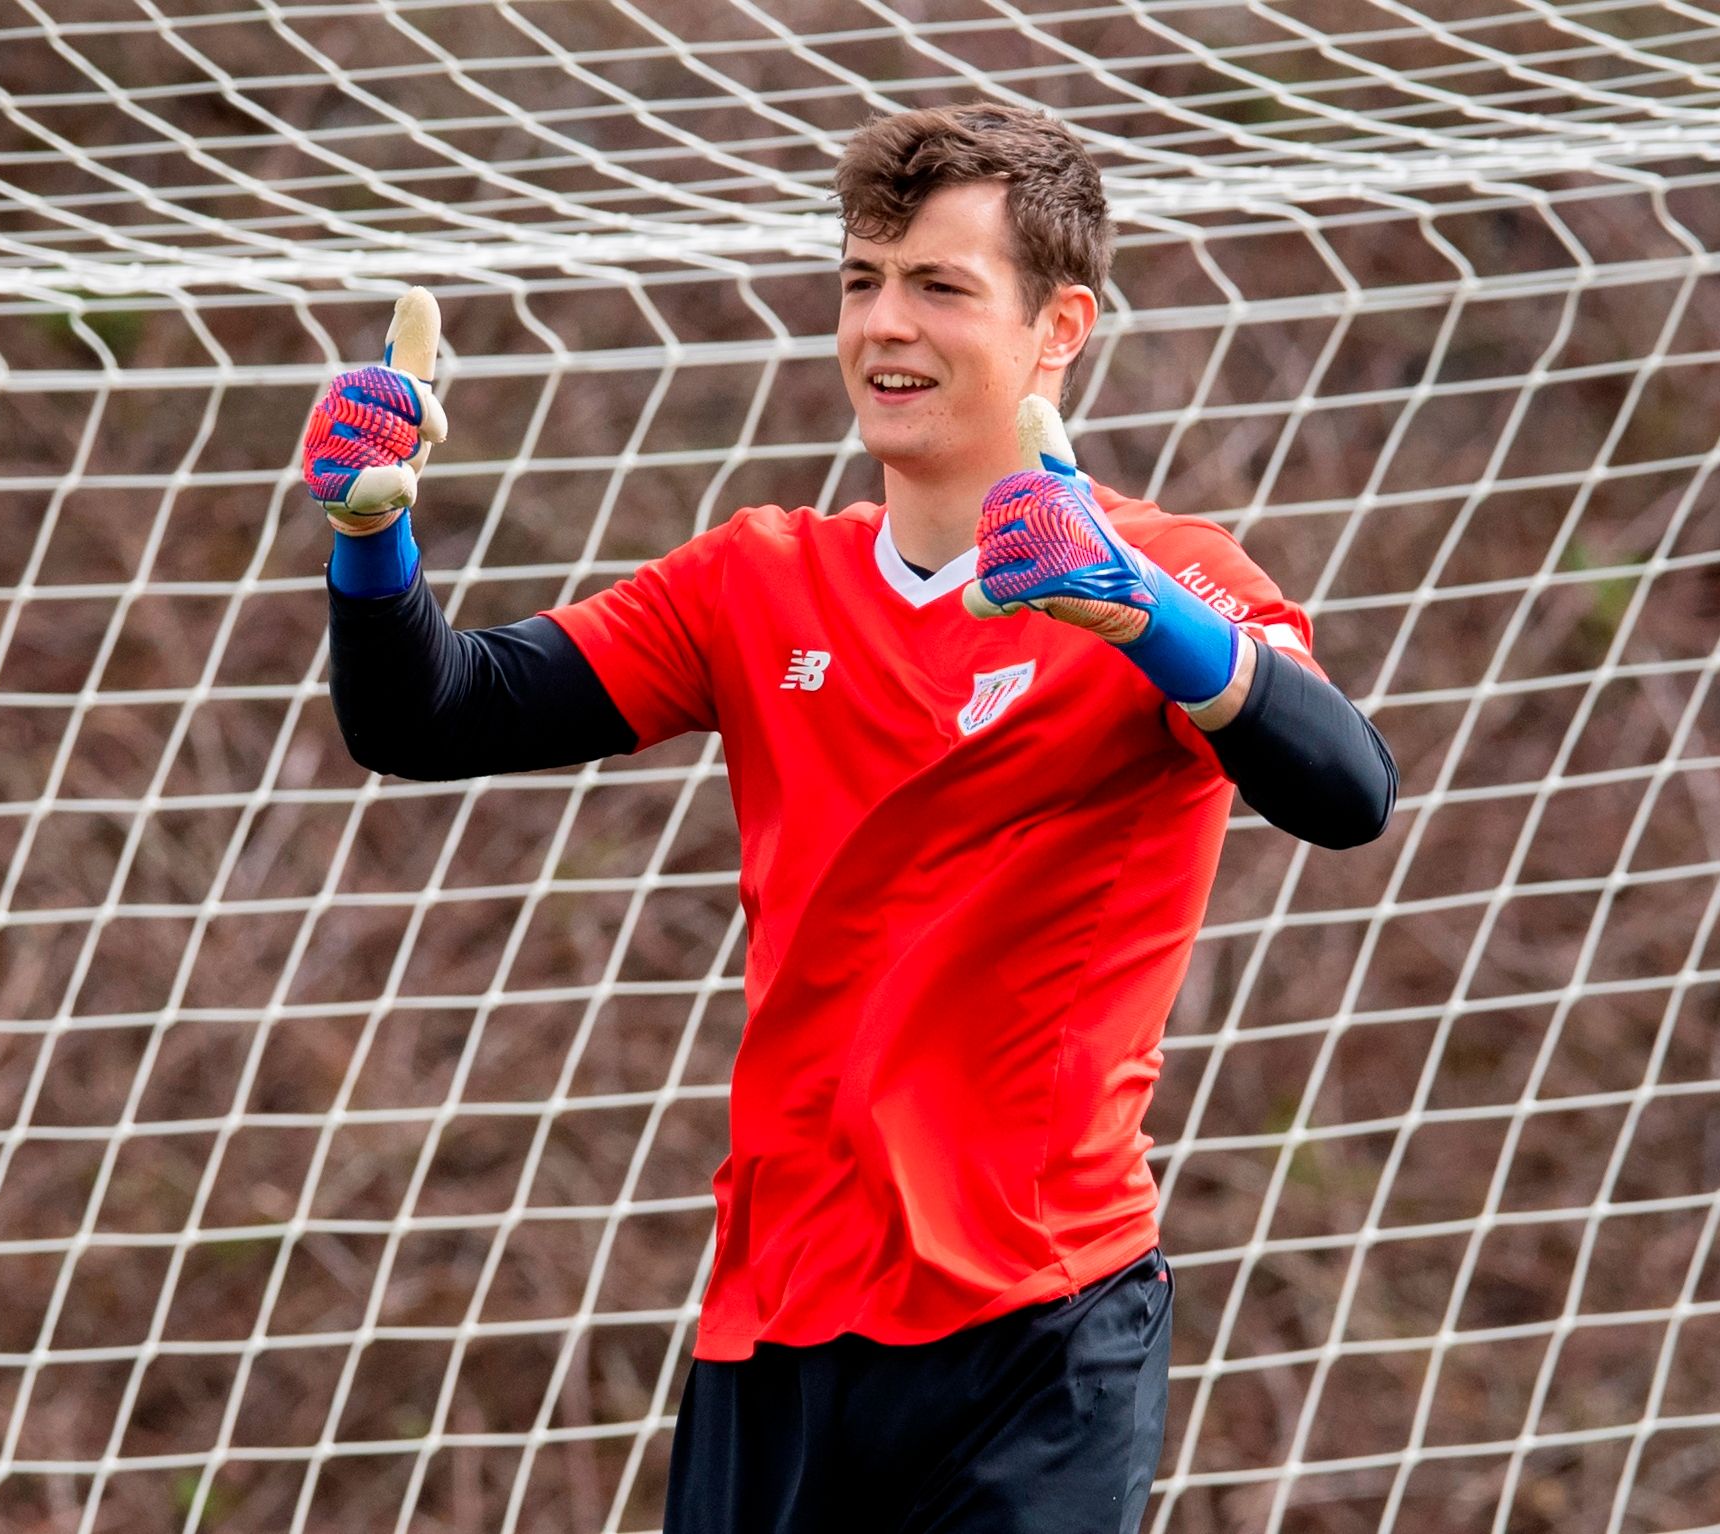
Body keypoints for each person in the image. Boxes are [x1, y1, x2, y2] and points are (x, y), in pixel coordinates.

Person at [307, 105, 1396, 1534]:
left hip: (1040, 1329)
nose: (886, 323)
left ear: (1057, 325)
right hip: (780, 1323)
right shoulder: (753, 582)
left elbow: (1346, 791)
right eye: (860, 280)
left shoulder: (1170, 579)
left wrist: (1146, 617)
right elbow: (423, 717)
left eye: (939, 286)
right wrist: (369, 541)